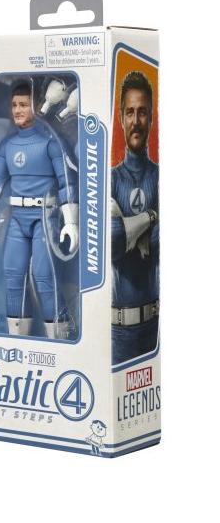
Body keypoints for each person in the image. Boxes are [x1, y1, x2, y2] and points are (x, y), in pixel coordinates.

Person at [0, 82, 78, 339]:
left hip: (44, 218)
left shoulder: (51, 142)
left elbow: (66, 182)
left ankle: (61, 340)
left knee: (44, 277)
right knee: (13, 276)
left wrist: (71, 222)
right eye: (14, 105)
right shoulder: (9, 145)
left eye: (23, 104)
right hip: (17, 219)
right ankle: (18, 342)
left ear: (35, 106)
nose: (17, 110)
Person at [111, 71, 159, 365]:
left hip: (157, 329)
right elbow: (113, 242)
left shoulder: (161, 177)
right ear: (121, 118)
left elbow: (161, 245)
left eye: (142, 112)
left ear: (151, 118)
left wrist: (129, 226)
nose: (136, 120)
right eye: (130, 112)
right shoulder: (110, 180)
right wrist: (152, 217)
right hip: (118, 333)